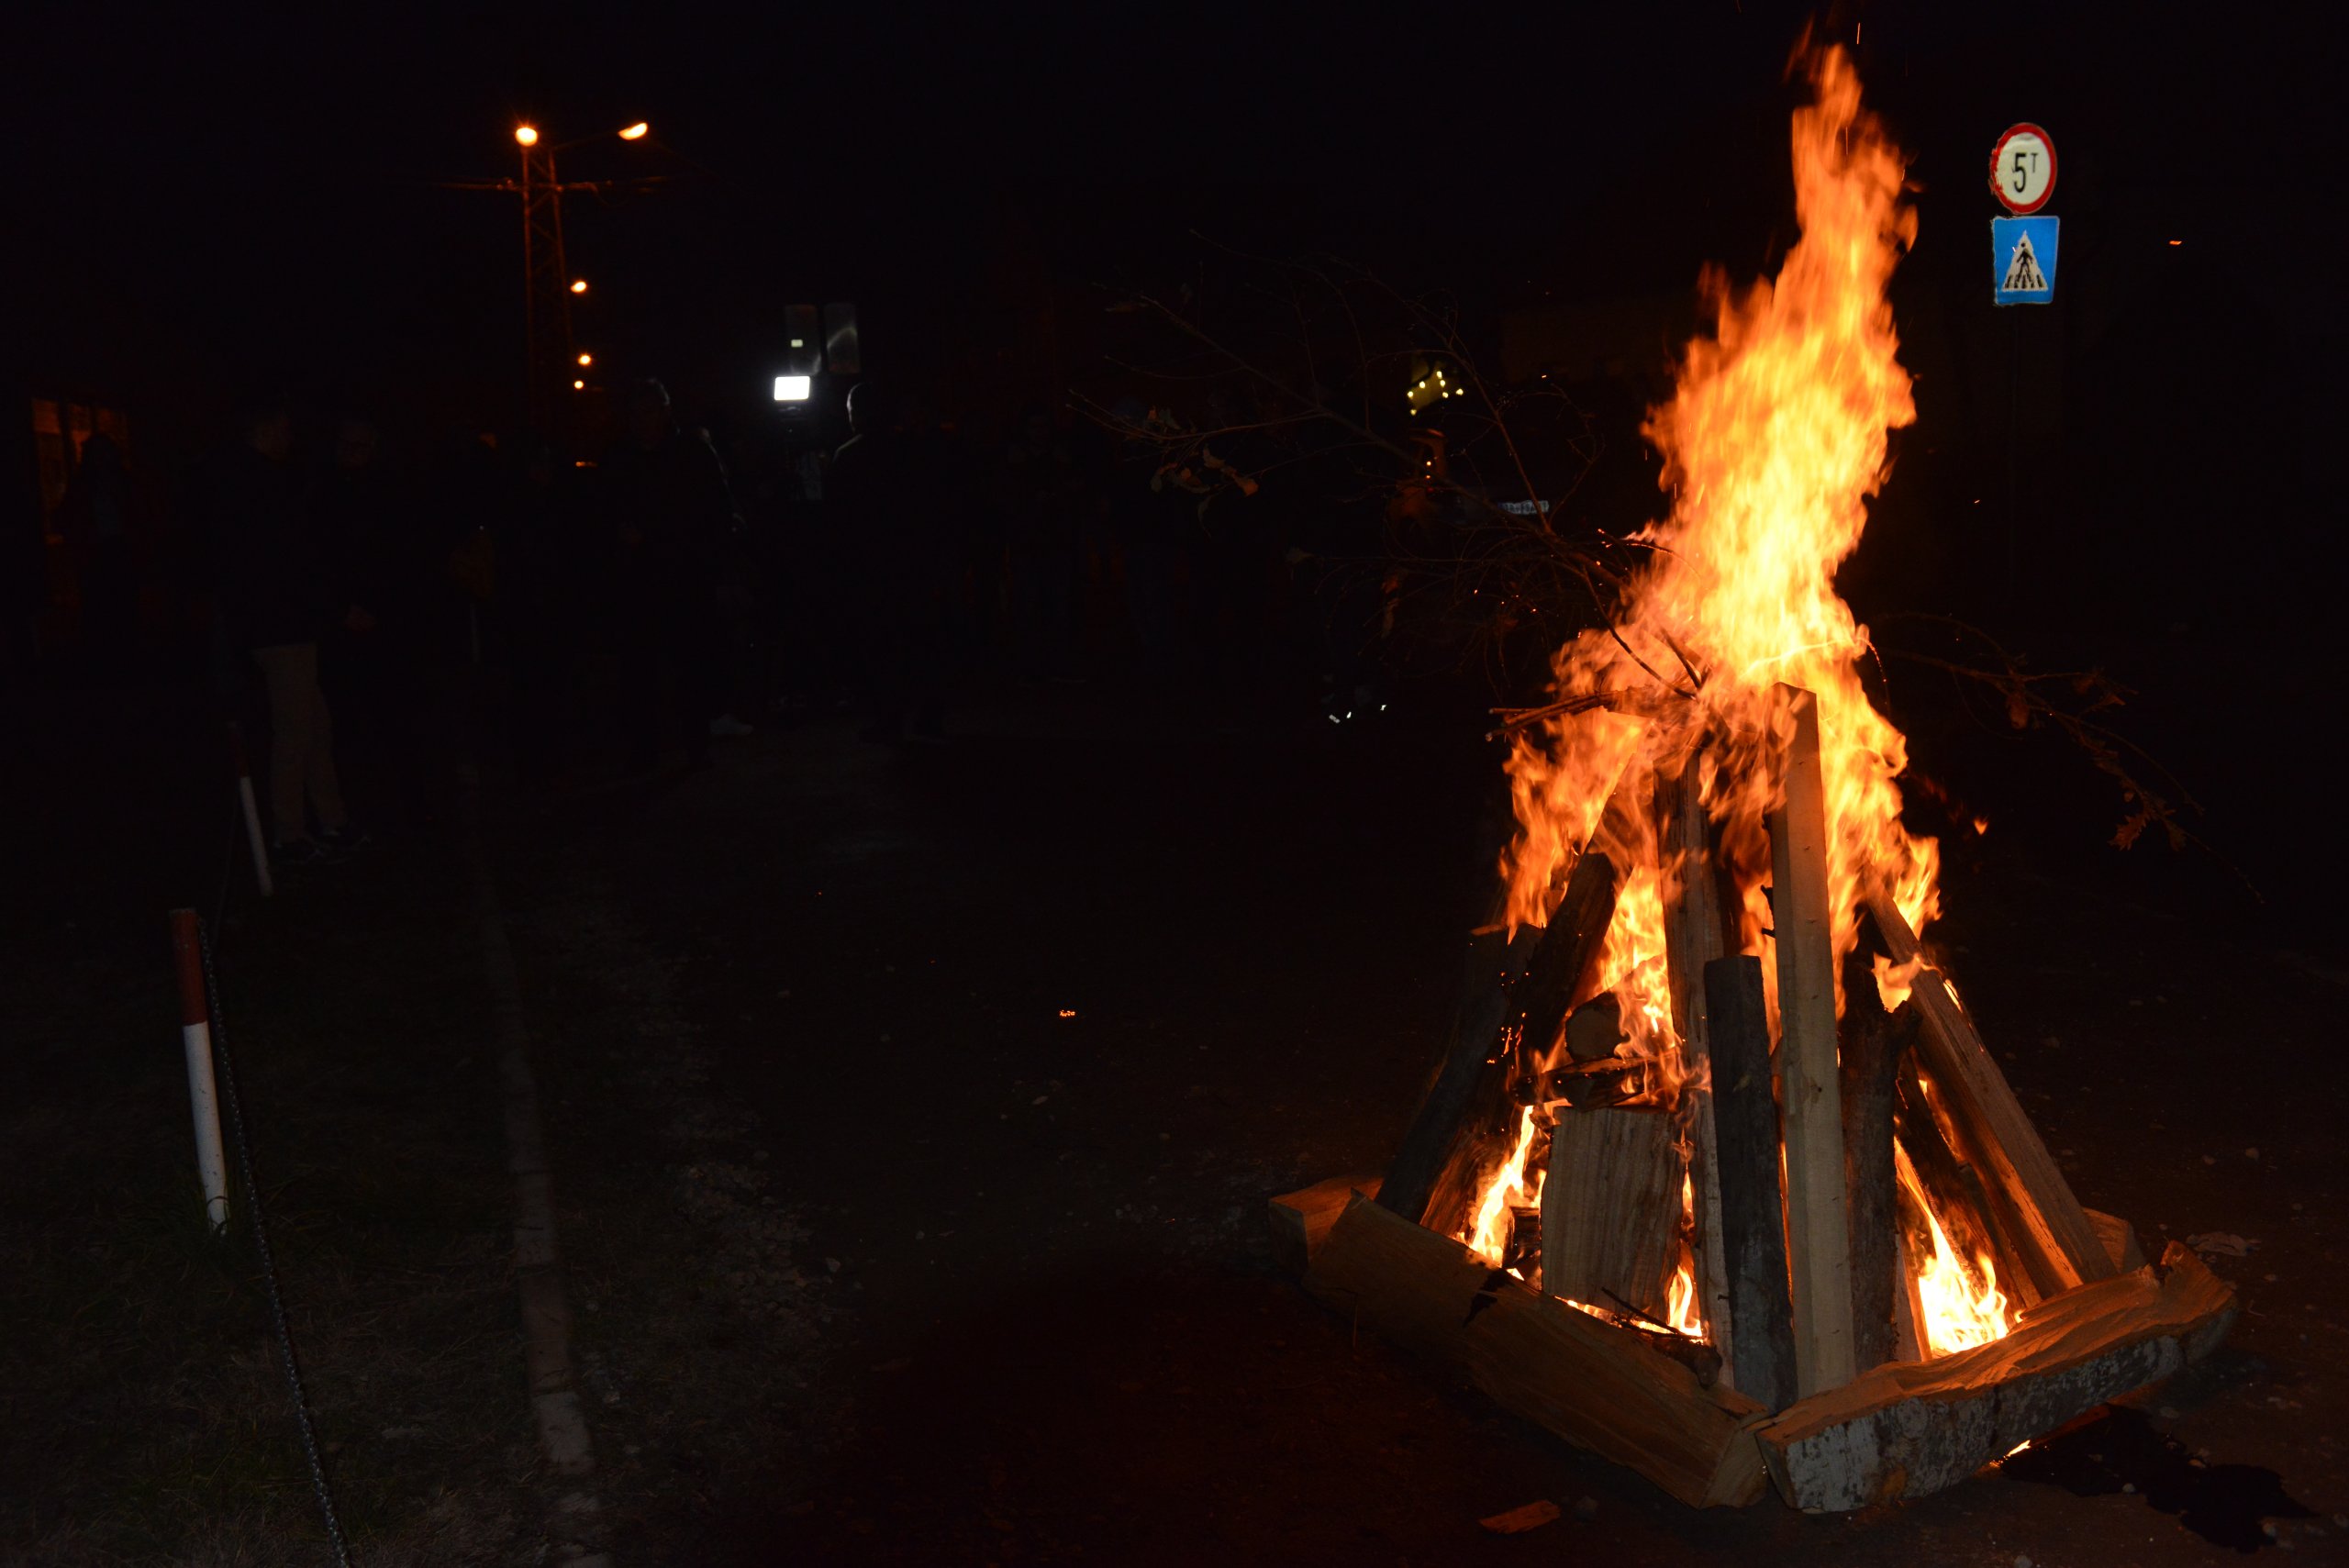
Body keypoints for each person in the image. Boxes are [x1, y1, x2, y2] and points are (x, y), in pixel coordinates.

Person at [212, 401, 356, 863]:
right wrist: (327, 608)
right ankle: (288, 832)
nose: (291, 438)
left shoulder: (249, 483)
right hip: (281, 626)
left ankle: (332, 820)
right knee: (295, 730)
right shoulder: (263, 486)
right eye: (285, 428)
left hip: (280, 623)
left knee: (315, 725)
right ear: (267, 429)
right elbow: (287, 561)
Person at [599, 379, 742, 770]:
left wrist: (718, 572)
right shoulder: (621, 459)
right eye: (636, 413)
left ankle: (694, 745)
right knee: (641, 672)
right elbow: (600, 514)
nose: (642, 421)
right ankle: (646, 750)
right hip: (639, 583)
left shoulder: (693, 454)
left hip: (685, 578)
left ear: (664, 412)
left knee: (691, 667)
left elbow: (716, 514)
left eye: (649, 411)